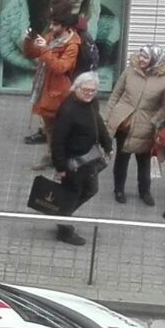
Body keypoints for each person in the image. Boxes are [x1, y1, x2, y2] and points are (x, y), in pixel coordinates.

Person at [50, 72, 112, 246]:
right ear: (76, 88)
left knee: (90, 190)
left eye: (93, 90)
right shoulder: (68, 110)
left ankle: (62, 216)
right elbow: (58, 140)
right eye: (86, 90)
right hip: (73, 162)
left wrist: (107, 144)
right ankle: (64, 229)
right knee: (73, 193)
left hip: (89, 158)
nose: (89, 93)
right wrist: (60, 167)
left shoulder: (91, 103)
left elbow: (98, 123)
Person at [103, 46, 165, 206]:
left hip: (146, 126)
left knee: (144, 161)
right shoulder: (130, 70)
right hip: (124, 122)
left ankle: (144, 192)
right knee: (121, 159)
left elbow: (164, 107)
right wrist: (107, 116)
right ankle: (118, 190)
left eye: (145, 57)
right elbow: (116, 94)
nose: (141, 59)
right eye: (140, 55)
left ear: (154, 60)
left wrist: (154, 121)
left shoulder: (163, 79)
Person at [23, 13, 81, 171]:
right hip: (45, 88)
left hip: (59, 92)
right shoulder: (50, 36)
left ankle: (61, 159)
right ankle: (52, 156)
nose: (51, 27)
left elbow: (60, 67)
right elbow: (30, 54)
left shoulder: (72, 45)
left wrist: (44, 49)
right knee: (49, 127)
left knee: (61, 128)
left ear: (65, 26)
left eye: (55, 24)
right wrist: (28, 40)